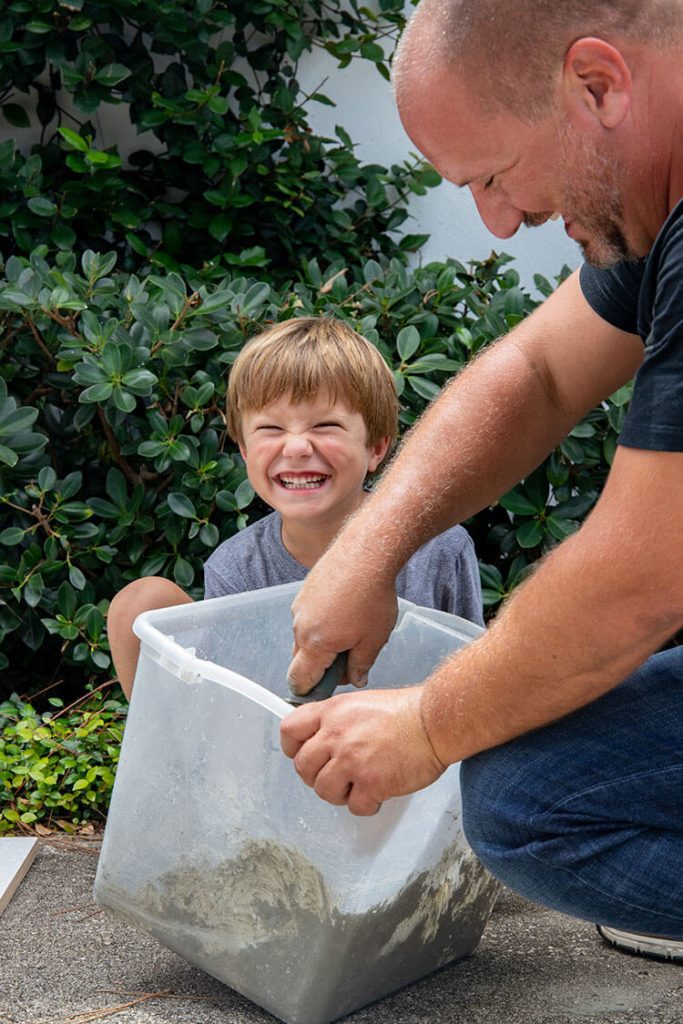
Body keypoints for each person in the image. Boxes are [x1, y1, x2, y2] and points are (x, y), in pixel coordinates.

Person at [280, 0, 683, 962]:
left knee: (529, 803)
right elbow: (537, 374)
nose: (500, 224)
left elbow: (642, 579)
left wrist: (425, 722)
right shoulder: (655, 208)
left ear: (596, 84)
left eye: (496, 175)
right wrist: (368, 548)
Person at [107, 315, 484, 699]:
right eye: (271, 429)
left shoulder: (439, 549)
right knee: (140, 602)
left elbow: (469, 678)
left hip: (406, 742)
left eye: (325, 426)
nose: (297, 447)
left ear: (376, 448)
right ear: (245, 449)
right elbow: (238, 707)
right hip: (278, 745)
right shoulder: (237, 567)